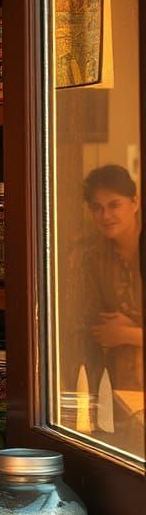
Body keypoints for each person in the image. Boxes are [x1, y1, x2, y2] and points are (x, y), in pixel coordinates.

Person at [80, 165, 143, 396]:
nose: (105, 216)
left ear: (135, 203)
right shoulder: (95, 256)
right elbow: (97, 326)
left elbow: (114, 332)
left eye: (114, 205)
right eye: (97, 207)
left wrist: (128, 333)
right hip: (119, 384)